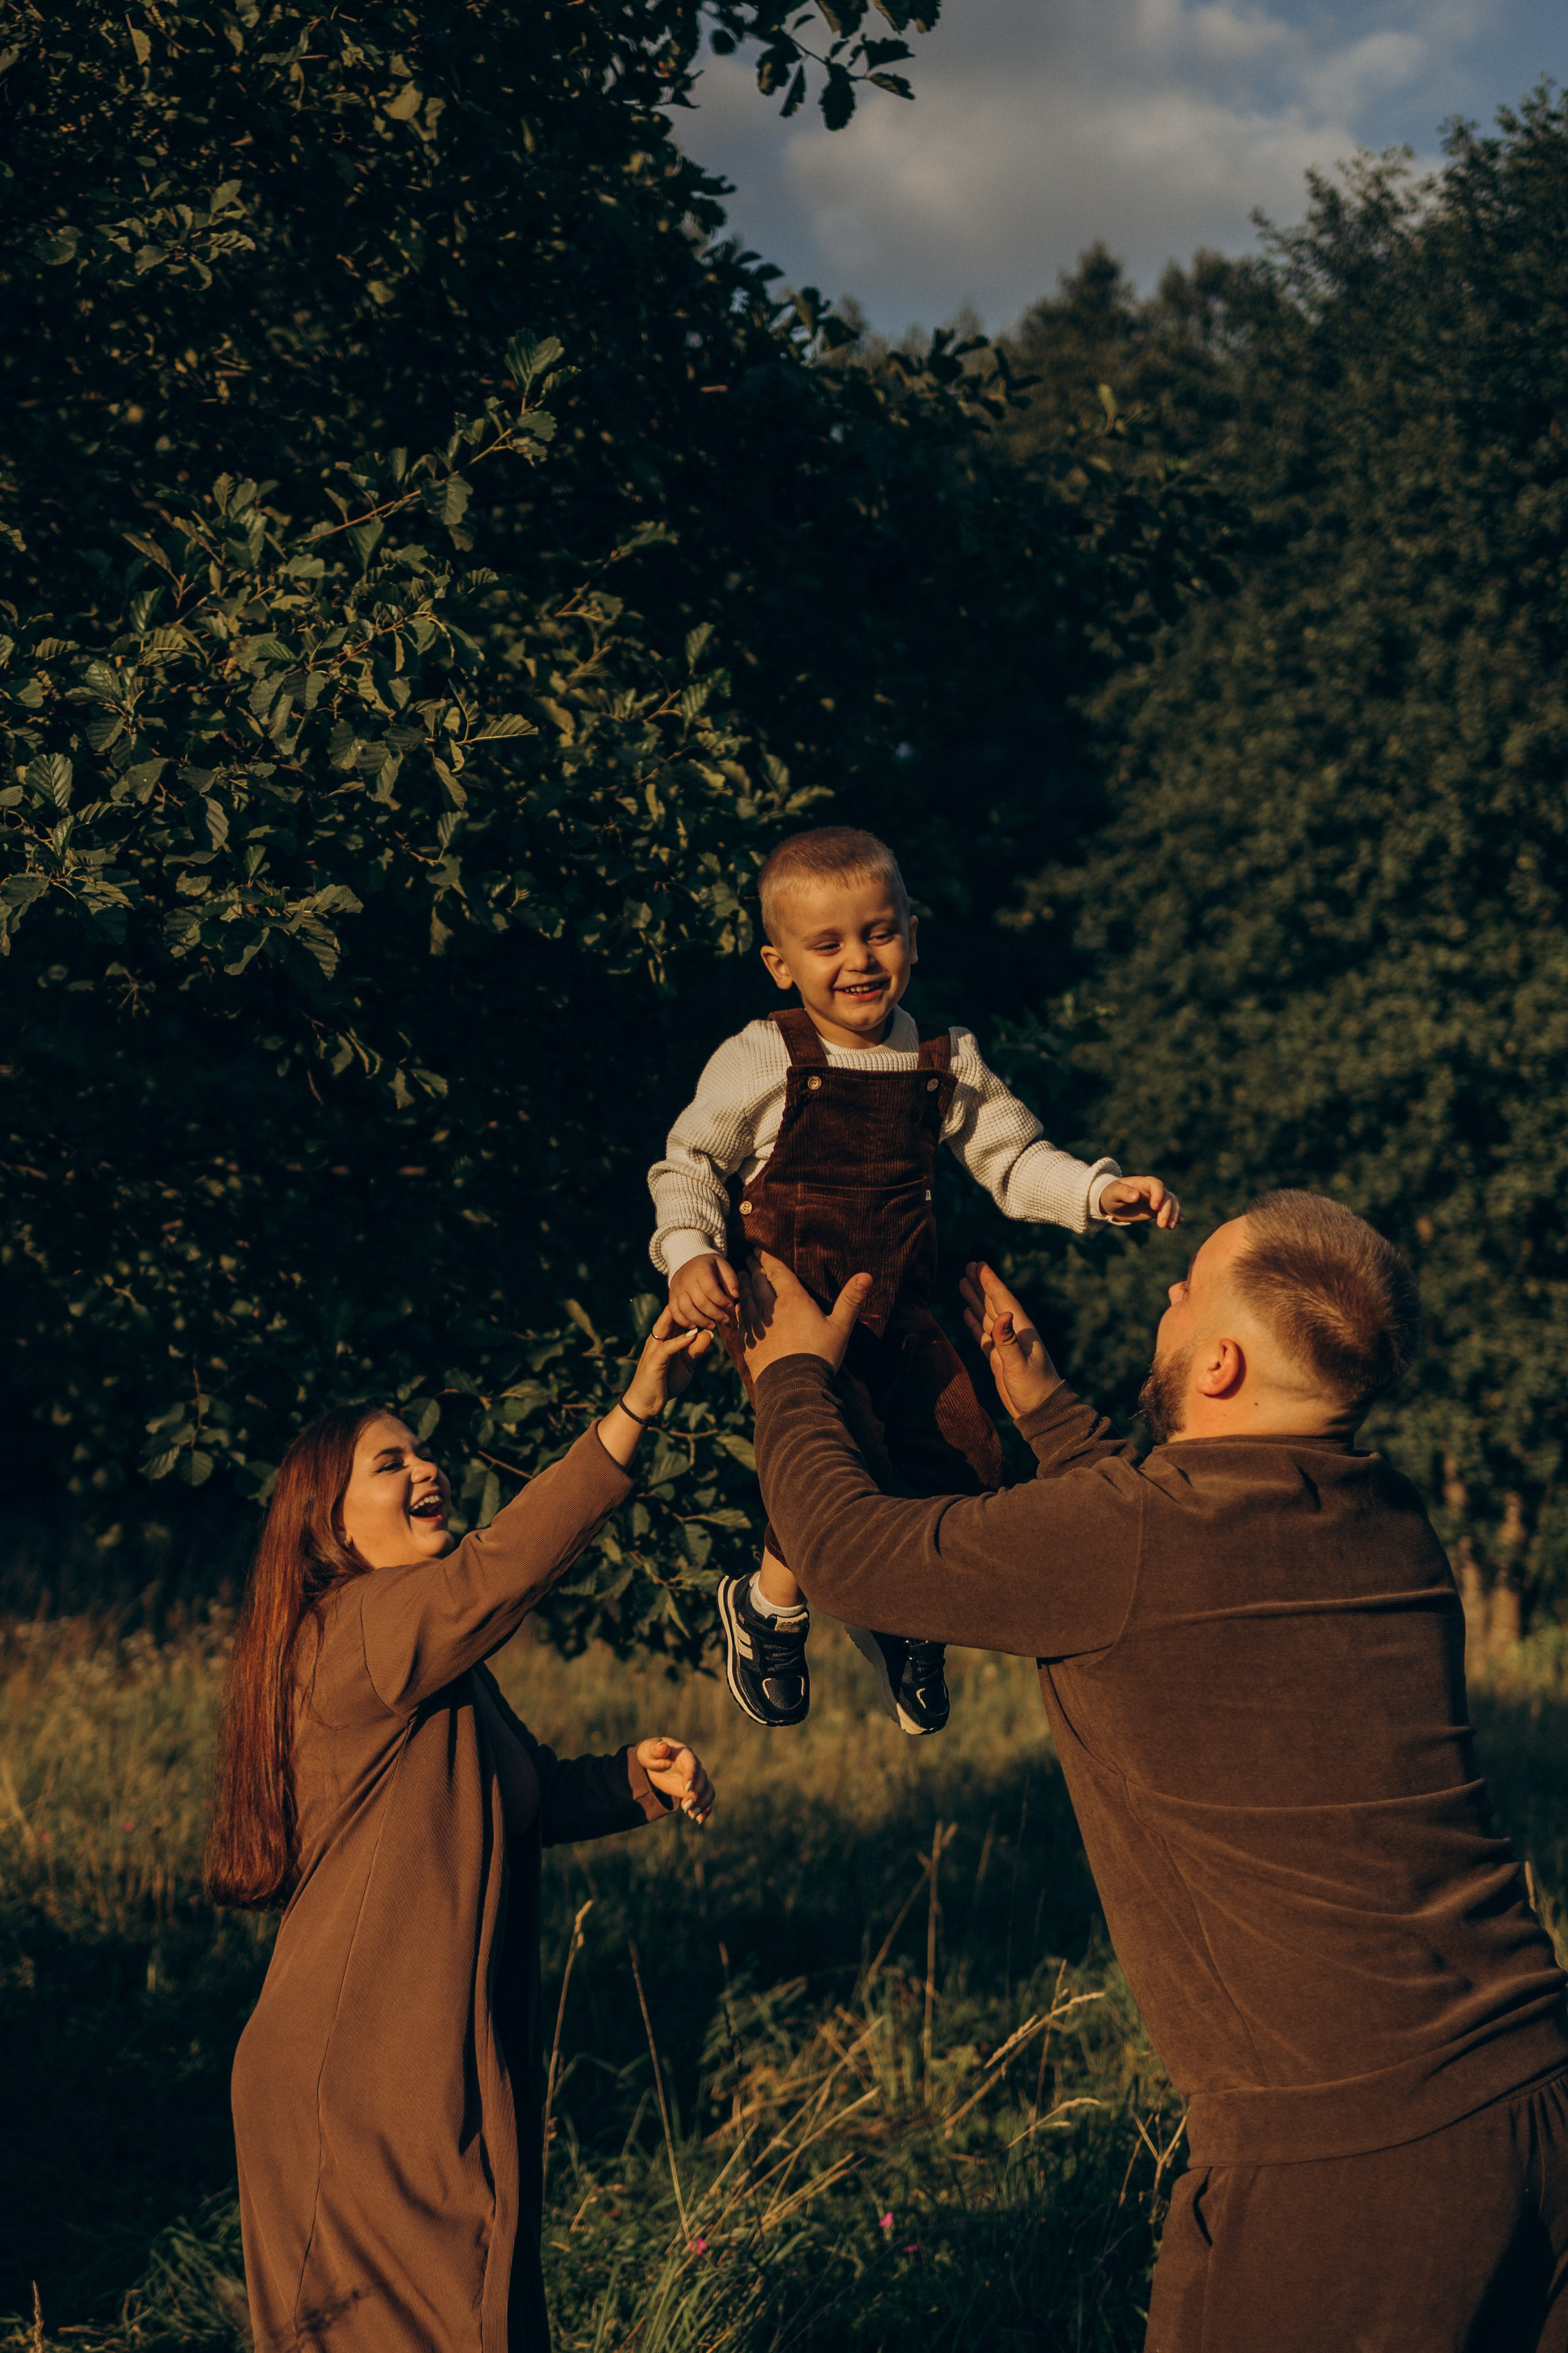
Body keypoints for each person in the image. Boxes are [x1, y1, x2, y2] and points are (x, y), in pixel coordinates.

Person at [736, 1195, 1568, 2352]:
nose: (1165, 1299)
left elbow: (848, 1553)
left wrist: (790, 1378)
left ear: (1221, 1362)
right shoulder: (1389, 1517)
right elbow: (1172, 1559)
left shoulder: (1129, 1538)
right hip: (1535, 2091)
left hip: (1353, 2159)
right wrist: (1054, 1416)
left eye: (1186, 1286)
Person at [206, 1309, 715, 2353]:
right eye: (391, 1462)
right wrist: (635, 1409)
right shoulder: (360, 1624)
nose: (426, 1466)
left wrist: (635, 1780)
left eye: (424, 1450)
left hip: (421, 2070)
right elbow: (503, 1567)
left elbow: (523, 1793)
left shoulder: (436, 1666)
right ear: (332, 1527)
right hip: (351, 2084)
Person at [647, 823, 1179, 1737]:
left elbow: (1015, 1162)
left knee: (966, 1452)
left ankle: (905, 1620)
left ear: (913, 934)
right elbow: (689, 1163)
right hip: (783, 1300)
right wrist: (691, 1253)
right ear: (781, 965)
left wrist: (1096, 1191)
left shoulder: (945, 1057)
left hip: (899, 1297)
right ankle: (771, 1608)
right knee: (837, 1446)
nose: (860, 958)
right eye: (828, 944)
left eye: (880, 931)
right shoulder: (764, 1055)